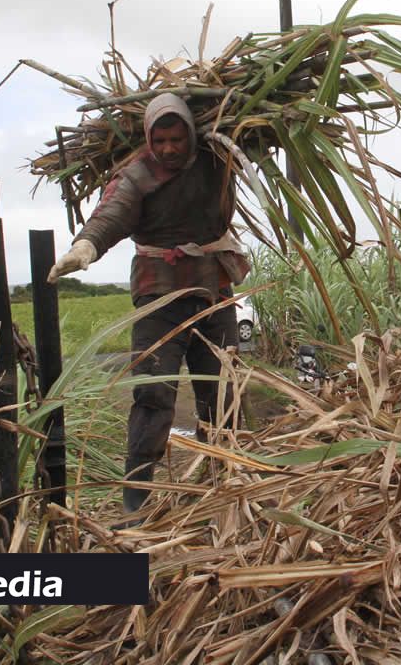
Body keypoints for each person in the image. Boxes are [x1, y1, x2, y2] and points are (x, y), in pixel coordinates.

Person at [47, 93, 250, 517]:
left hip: (214, 292)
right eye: (161, 140)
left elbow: (256, 143)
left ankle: (226, 492)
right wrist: (84, 248)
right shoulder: (138, 174)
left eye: (177, 139)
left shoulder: (217, 160)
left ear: (192, 135)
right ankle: (135, 501)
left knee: (224, 393)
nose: (169, 148)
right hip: (159, 297)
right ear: (149, 138)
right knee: (153, 395)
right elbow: (112, 213)